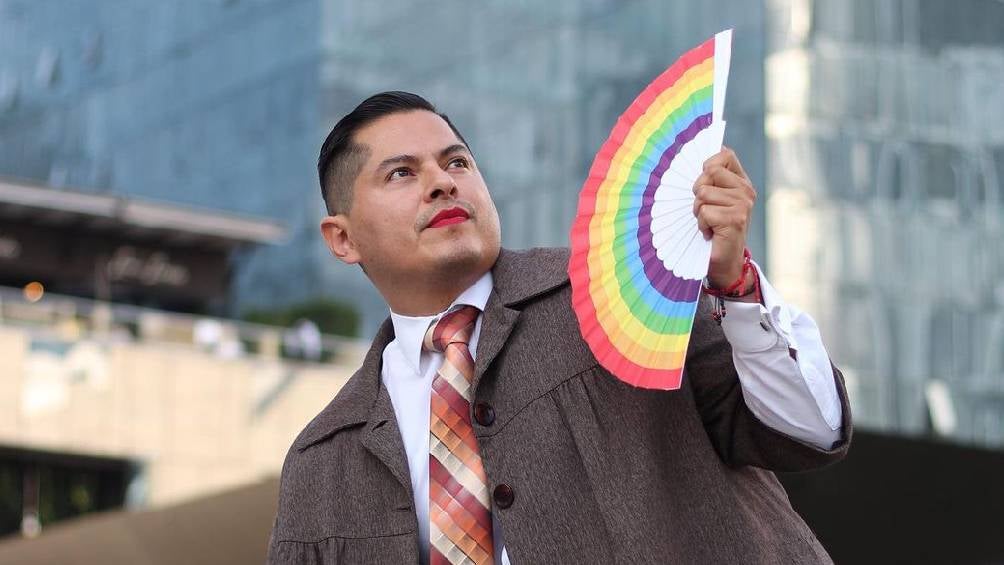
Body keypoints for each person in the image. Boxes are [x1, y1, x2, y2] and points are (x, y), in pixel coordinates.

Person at [267, 91, 851, 564]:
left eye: (457, 162)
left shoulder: (617, 288)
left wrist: (736, 285)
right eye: (401, 173)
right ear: (342, 239)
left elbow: (808, 429)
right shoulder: (323, 462)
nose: (443, 183)